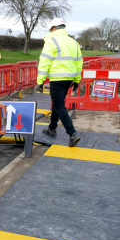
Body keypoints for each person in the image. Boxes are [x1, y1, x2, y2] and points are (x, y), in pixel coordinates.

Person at [36, 17, 83, 147]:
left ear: (55, 28)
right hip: (69, 78)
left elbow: (45, 61)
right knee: (57, 104)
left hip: (57, 78)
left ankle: (72, 133)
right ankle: (52, 129)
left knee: (59, 106)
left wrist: (40, 81)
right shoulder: (74, 42)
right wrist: (77, 80)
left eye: (51, 29)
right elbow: (79, 63)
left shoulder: (52, 41)